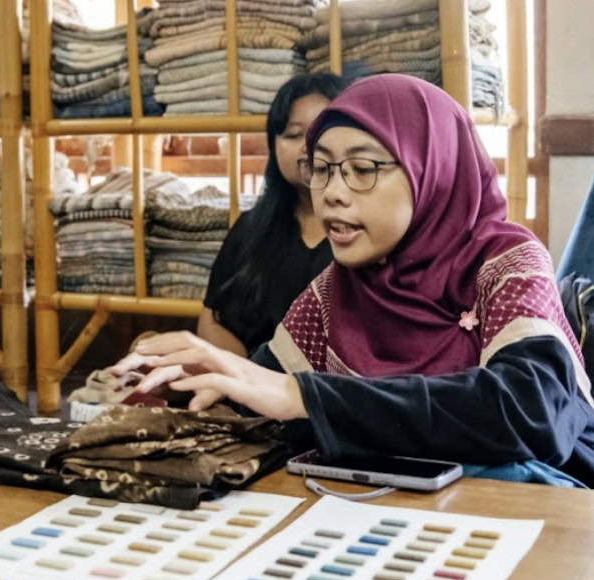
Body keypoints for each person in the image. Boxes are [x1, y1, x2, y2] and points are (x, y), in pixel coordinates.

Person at [112, 74, 594, 485]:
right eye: (321, 170)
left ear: (433, 169)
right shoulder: (337, 288)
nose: (333, 194)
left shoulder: (504, 262)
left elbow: (534, 412)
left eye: (362, 169)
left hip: (534, 522)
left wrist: (303, 395)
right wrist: (189, 380)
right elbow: (265, 394)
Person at [200, 73, 349, 356]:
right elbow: (213, 320)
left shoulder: (371, 228)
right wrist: (250, 380)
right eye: (294, 134)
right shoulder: (252, 227)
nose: (309, 144)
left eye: (322, 130)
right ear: (273, 145)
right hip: (249, 391)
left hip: (338, 393)